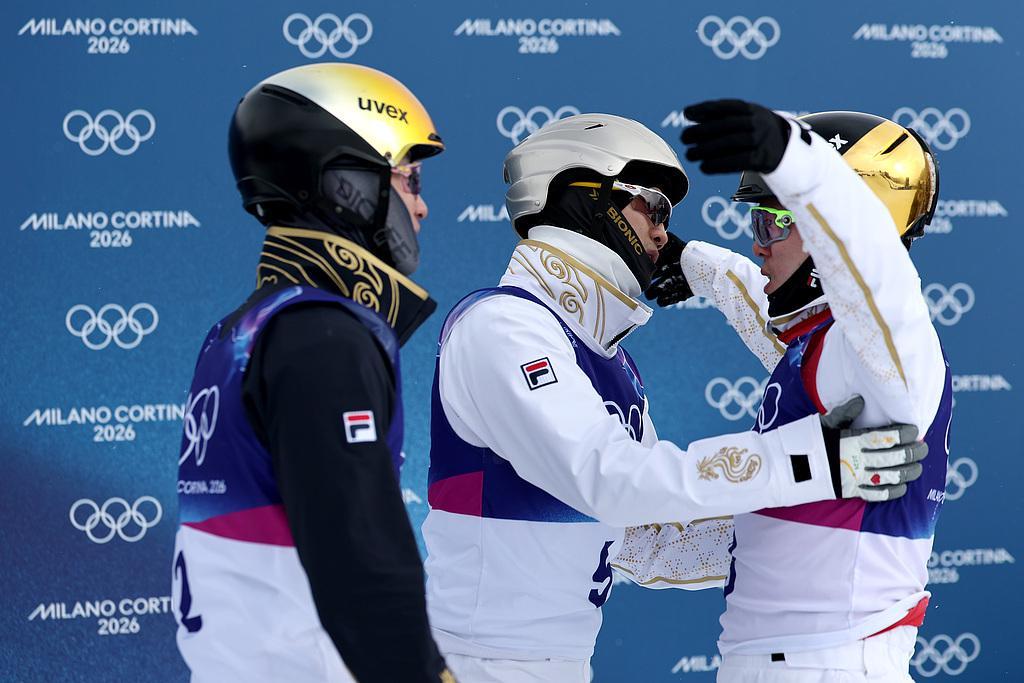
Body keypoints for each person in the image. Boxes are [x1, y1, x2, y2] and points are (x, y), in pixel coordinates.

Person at [422, 113, 926, 683]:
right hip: (476, 664)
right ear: (585, 198)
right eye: (655, 208)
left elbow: (650, 536)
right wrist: (811, 463)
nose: (663, 235)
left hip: (553, 666)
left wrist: (802, 530)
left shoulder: (607, 361)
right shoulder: (504, 325)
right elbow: (610, 478)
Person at [647, 100, 951, 681]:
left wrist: (801, 165)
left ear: (829, 225)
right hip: (776, 661)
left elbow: (878, 279)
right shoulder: (821, 348)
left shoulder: (892, 356)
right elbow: (768, 315)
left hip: (833, 665)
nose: (758, 244)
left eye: (772, 222)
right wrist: (695, 263)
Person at [171, 63, 454, 683]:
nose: (422, 205)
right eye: (409, 178)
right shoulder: (323, 339)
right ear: (347, 184)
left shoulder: (248, 328)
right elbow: (361, 557)